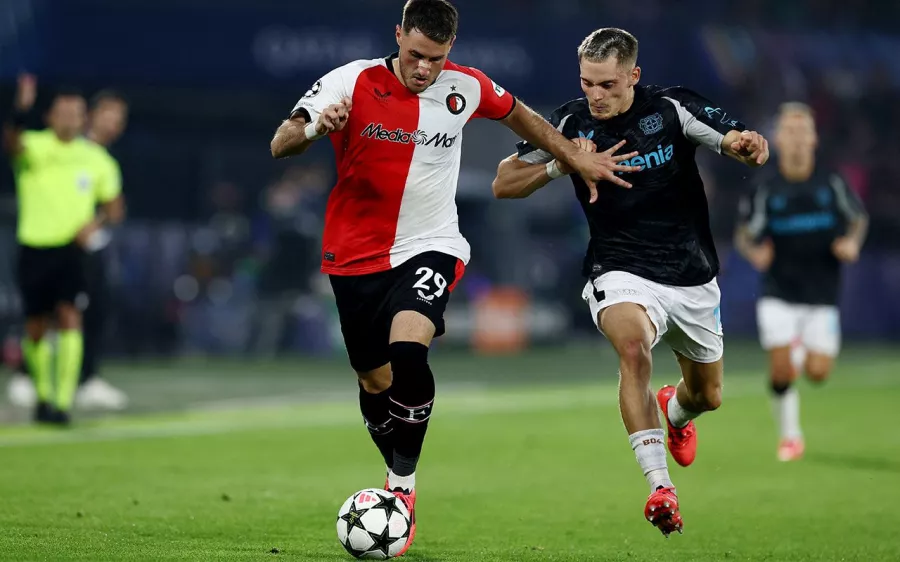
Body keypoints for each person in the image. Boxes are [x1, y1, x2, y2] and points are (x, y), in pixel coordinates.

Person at [269, 1, 634, 555]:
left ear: (450, 52)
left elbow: (524, 117)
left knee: (409, 352)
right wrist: (318, 128)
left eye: (436, 59)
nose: (424, 69)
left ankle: (401, 490)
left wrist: (572, 160)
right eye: (415, 55)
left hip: (432, 246)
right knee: (374, 382)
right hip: (354, 256)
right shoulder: (350, 81)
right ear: (397, 37)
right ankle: (397, 472)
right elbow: (282, 141)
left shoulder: (466, 86)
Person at [491, 28, 769, 537]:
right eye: (587, 83)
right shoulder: (570, 121)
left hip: (691, 275)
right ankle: (660, 488)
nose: (596, 95)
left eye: (608, 85)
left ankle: (676, 411)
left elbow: (736, 142)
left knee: (708, 396)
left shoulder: (671, 109)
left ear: (634, 76)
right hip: (619, 267)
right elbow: (503, 183)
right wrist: (563, 161)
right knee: (633, 350)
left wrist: (748, 146)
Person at [734, 103, 867, 462]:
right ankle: (790, 437)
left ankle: (797, 349)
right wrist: (754, 252)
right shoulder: (767, 189)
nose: (795, 139)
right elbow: (745, 234)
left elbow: (857, 219)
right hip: (779, 291)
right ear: (777, 139)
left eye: (802, 131)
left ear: (814, 139)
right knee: (780, 370)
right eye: (788, 131)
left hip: (822, 293)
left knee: (818, 374)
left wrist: (851, 242)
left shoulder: (832, 183)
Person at [2, 74, 124, 424]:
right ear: (50, 117)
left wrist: (94, 224)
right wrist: (21, 108)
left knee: (71, 316)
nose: (71, 118)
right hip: (35, 246)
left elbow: (114, 206)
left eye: (76, 112)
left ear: (84, 117)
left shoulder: (97, 159)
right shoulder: (35, 147)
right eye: (64, 112)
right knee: (36, 325)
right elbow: (11, 143)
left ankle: (62, 400)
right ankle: (42, 396)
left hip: (73, 250)